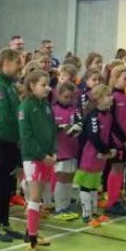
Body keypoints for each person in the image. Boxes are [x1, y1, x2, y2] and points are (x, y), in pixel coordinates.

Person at [0, 49, 24, 243]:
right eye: (17, 64)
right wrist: (20, 127)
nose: (20, 68)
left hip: (12, 140)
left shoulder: (10, 86)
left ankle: (4, 222)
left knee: (8, 184)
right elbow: (4, 116)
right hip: (2, 139)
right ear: (6, 63)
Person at [18, 70, 56, 251]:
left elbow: (52, 131)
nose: (47, 88)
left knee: (38, 196)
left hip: (46, 157)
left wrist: (53, 151)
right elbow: (26, 136)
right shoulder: (25, 107)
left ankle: (31, 231)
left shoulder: (46, 106)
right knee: (34, 197)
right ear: (32, 86)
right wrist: (41, 155)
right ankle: (32, 240)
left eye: (48, 85)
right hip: (33, 158)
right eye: (43, 85)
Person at [74, 85, 115, 227]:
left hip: (100, 156)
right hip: (89, 155)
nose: (111, 98)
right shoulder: (93, 116)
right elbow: (93, 136)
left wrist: (110, 149)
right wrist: (105, 150)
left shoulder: (108, 115)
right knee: (86, 185)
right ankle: (86, 215)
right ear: (98, 99)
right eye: (108, 95)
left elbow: (108, 135)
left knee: (94, 184)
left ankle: (95, 212)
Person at [106, 66, 126, 216]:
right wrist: (124, 139)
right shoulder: (113, 97)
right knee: (116, 168)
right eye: (125, 78)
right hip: (117, 140)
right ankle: (111, 201)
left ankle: (116, 197)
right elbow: (113, 122)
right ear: (115, 78)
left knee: (120, 168)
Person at [51, 82, 80, 221]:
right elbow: (49, 128)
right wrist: (61, 127)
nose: (69, 100)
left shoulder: (74, 109)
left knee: (69, 177)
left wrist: (76, 128)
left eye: (71, 97)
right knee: (61, 177)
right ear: (58, 95)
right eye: (66, 97)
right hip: (60, 149)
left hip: (72, 148)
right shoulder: (53, 109)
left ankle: (66, 205)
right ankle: (59, 208)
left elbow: (80, 122)